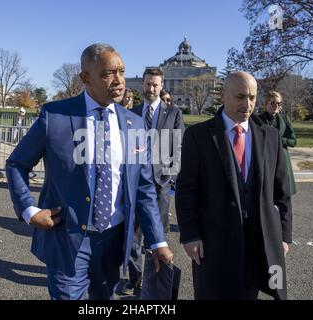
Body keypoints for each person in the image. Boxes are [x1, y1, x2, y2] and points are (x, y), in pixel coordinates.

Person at [6, 43, 173, 300]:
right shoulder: (55, 116)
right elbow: (17, 163)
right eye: (108, 73)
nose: (119, 80)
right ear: (86, 78)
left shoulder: (134, 124)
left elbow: (144, 187)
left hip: (114, 241)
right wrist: (30, 211)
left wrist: (158, 241)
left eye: (121, 71)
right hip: (68, 237)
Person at [175, 71, 292, 300]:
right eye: (240, 97)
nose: (247, 104)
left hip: (258, 243)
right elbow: (186, 190)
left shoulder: (270, 137)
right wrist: (189, 235)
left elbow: (282, 192)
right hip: (212, 243)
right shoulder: (197, 136)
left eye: (252, 97)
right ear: (223, 95)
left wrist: (285, 236)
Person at [121, 68, 183, 295]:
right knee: (133, 234)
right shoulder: (133, 112)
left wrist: (170, 179)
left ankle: (151, 281)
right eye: (147, 84)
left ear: (161, 85)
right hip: (133, 183)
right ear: (143, 84)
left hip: (160, 185)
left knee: (156, 236)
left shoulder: (173, 113)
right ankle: (135, 279)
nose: (151, 89)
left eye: (155, 85)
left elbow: (177, 147)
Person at [259, 91, 297, 195]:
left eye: (279, 103)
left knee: (283, 194)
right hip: (265, 161)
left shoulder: (284, 119)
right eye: (272, 103)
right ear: (266, 104)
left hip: (282, 160)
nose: (276, 106)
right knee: (267, 193)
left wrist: (279, 139)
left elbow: (293, 141)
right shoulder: (258, 120)